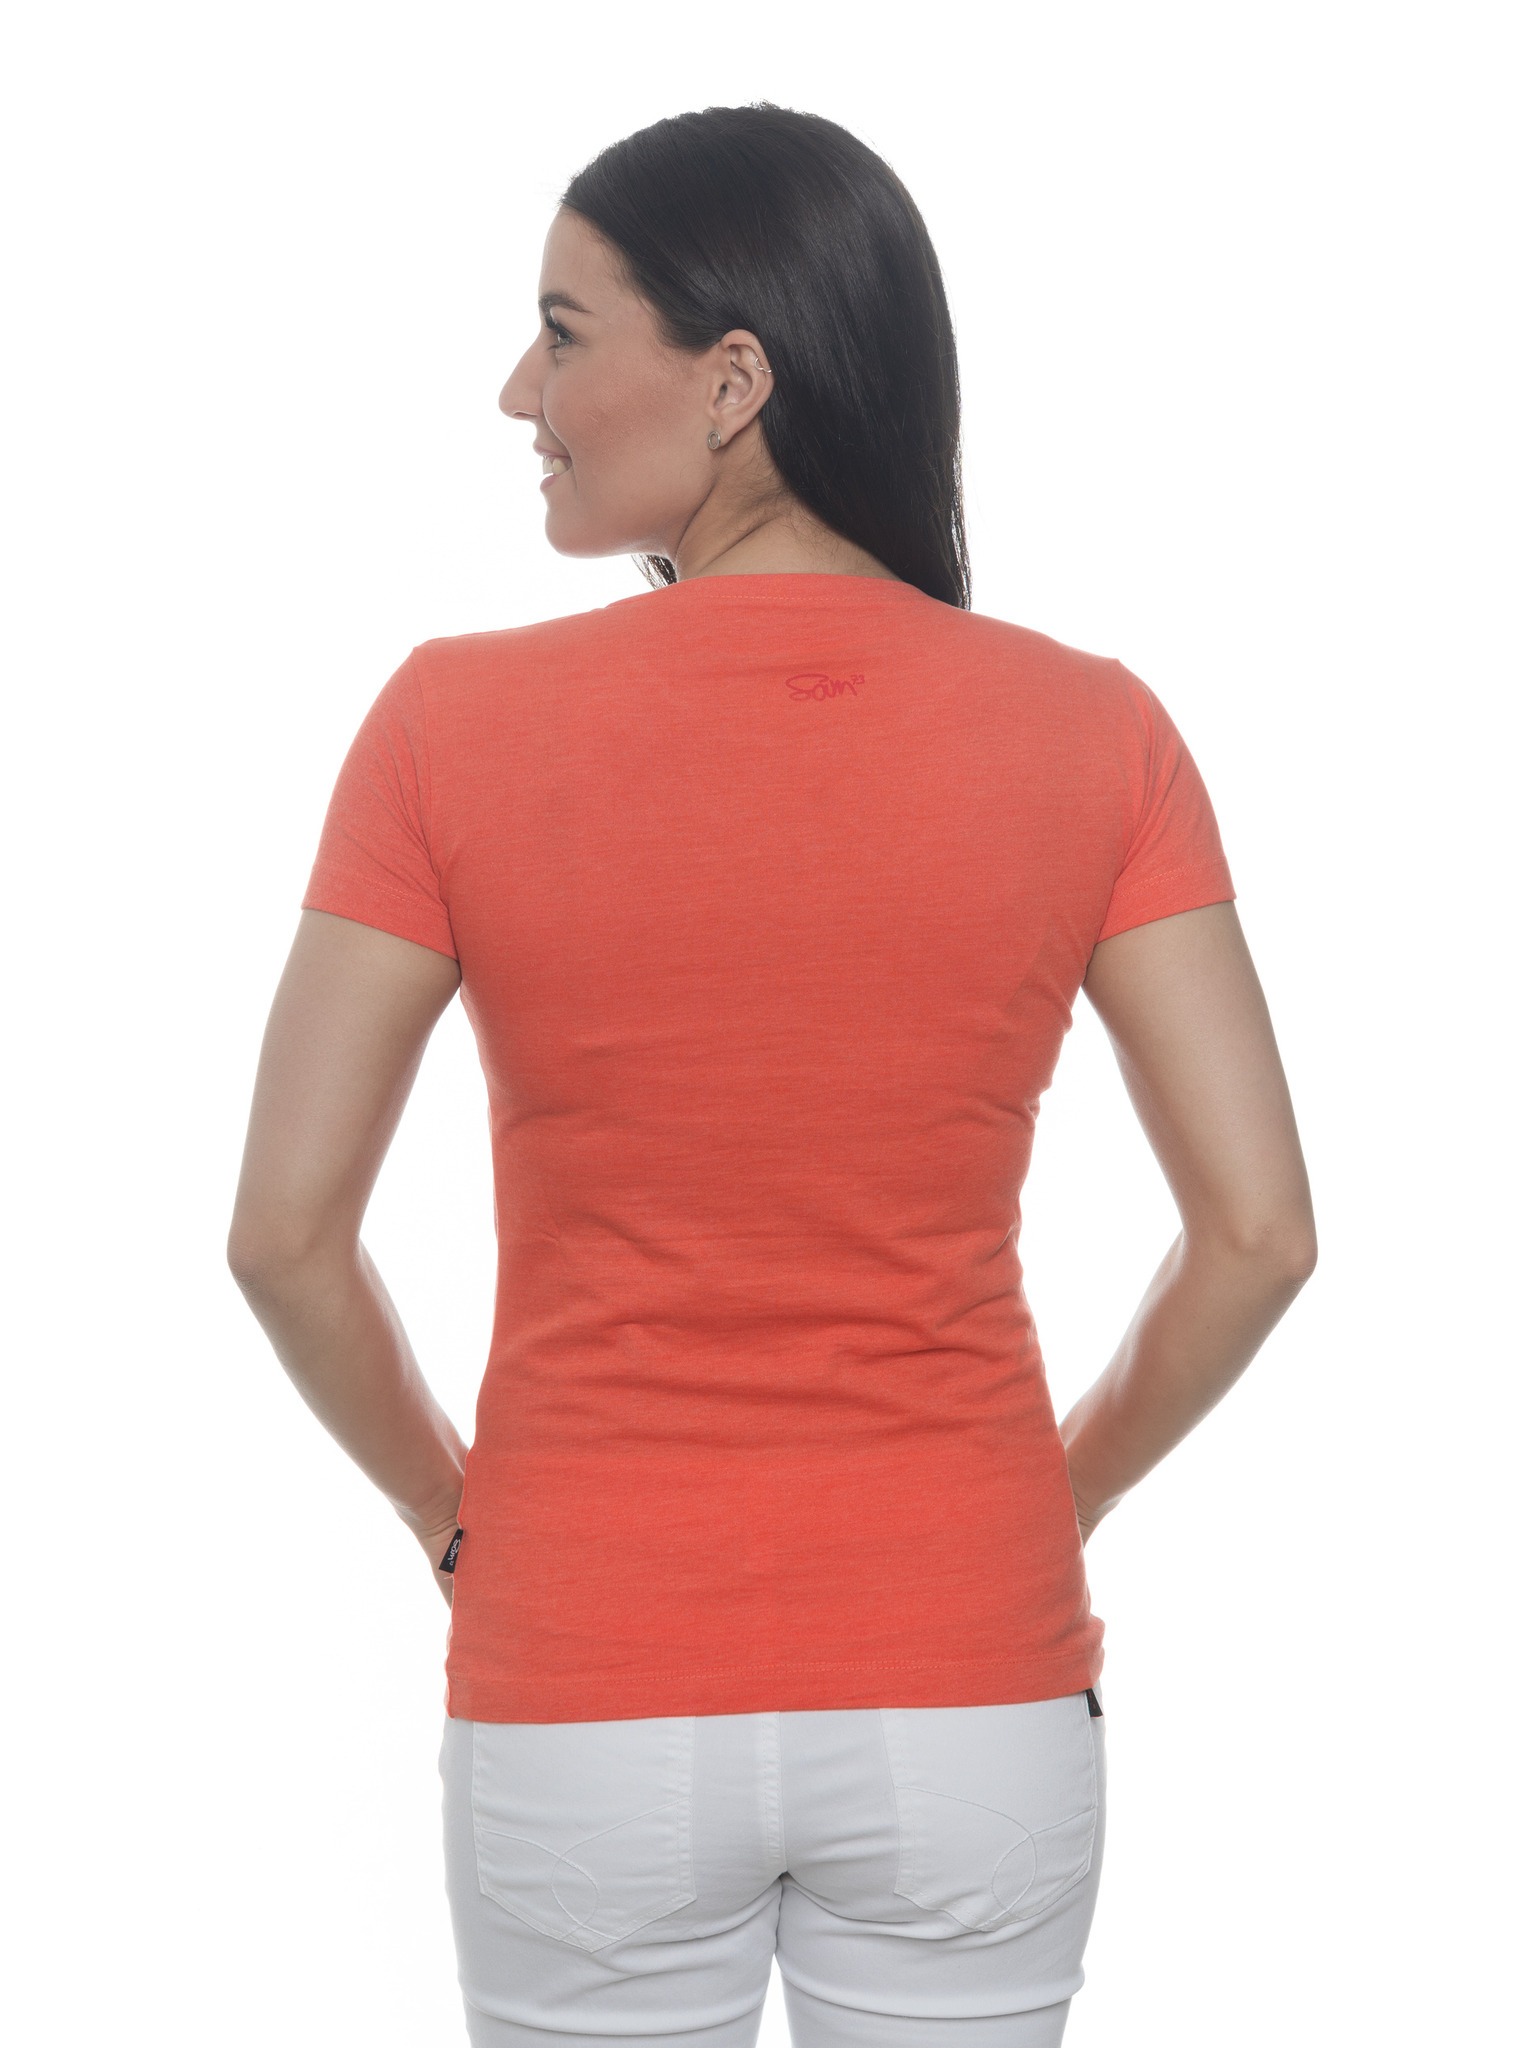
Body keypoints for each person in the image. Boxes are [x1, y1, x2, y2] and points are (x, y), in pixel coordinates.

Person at [228, 102, 1316, 2048]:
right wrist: (1038, 1501)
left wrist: (454, 1519)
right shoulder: (1095, 731)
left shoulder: (449, 725)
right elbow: (1259, 1235)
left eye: (562, 331)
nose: (517, 391)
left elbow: (284, 1238)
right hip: (970, 1680)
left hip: (585, 1688)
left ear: (732, 381)